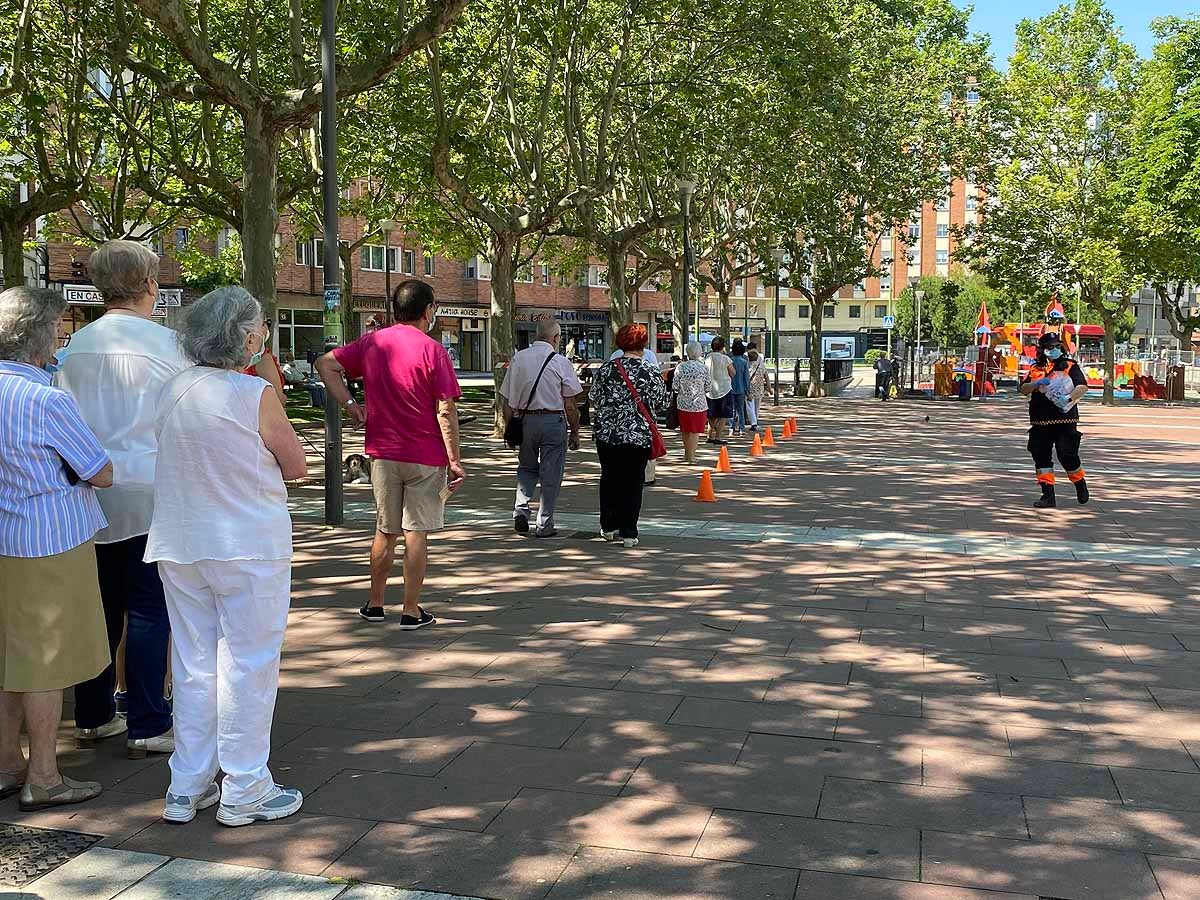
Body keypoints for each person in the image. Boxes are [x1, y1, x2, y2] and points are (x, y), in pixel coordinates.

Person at [145, 286, 307, 827]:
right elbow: (296, 464)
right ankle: (246, 784)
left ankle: (187, 783)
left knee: (193, 663)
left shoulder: (171, 388)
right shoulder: (253, 393)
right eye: (258, 327)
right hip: (247, 544)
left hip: (181, 540)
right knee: (248, 664)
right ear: (246, 336)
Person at [54, 240, 184, 762]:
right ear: (149, 284)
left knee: (100, 606)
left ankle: (93, 714)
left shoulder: (74, 346)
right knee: (151, 607)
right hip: (153, 486)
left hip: (88, 487)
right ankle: (149, 722)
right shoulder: (167, 345)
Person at [0, 286, 112, 811]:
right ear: (42, 338)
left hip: (5, 538)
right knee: (45, 662)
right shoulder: (46, 399)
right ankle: (43, 775)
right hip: (49, 540)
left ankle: (6, 762)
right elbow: (100, 471)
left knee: (12, 655)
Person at [315, 280, 465, 626]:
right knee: (416, 533)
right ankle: (411, 610)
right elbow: (445, 409)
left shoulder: (372, 343)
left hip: (382, 453)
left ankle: (375, 603)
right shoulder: (434, 351)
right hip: (426, 455)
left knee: (385, 530)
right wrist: (454, 459)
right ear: (428, 310)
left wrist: (351, 405)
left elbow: (326, 365)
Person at [499, 318, 582, 537]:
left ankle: (521, 510)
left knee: (526, 467)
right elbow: (570, 405)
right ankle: (544, 524)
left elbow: (507, 402)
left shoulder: (518, 359)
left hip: (525, 421)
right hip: (553, 422)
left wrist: (509, 428)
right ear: (556, 338)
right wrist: (575, 431)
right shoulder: (561, 362)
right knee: (551, 473)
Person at [591, 325, 669, 548]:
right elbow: (662, 402)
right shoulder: (650, 370)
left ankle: (608, 527)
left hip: (608, 434)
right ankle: (629, 532)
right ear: (643, 344)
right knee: (634, 483)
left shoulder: (607, 369)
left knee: (609, 479)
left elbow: (595, 397)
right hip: (638, 435)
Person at [1019, 332, 1090, 508]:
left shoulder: (1069, 365)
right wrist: (1035, 385)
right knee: (1041, 457)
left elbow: (1082, 386)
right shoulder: (1035, 368)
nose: (1055, 349)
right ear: (1042, 350)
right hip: (1040, 421)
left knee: (1067, 455)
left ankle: (1080, 484)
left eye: (1058, 346)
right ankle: (1047, 494)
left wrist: (1068, 398)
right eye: (1050, 347)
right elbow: (1023, 389)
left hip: (1064, 421)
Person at [672, 341, 712, 463]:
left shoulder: (680, 367)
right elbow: (708, 387)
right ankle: (691, 456)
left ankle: (686, 454)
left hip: (683, 403)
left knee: (685, 429)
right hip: (699, 404)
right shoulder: (704, 368)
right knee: (695, 431)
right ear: (699, 352)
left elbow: (675, 386)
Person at [243, 318, 285, 405]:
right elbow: (278, 399)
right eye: (266, 323)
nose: (267, 327)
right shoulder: (262, 360)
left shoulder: (260, 359)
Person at [705, 337, 735, 445]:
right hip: (724, 389)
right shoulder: (725, 359)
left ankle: (709, 435)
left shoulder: (707, 358)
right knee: (723, 415)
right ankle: (718, 436)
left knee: (711, 415)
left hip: (710, 390)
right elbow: (732, 373)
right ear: (723, 347)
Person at [729, 340, 750, 434]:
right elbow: (746, 378)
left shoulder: (729, 361)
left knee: (732, 409)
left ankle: (731, 428)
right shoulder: (744, 362)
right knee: (740, 410)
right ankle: (741, 429)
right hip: (741, 388)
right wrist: (748, 390)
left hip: (730, 388)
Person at [746, 348, 766, 430]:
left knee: (750, 406)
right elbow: (766, 375)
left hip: (750, 388)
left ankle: (753, 422)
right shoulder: (760, 366)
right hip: (760, 388)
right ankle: (756, 420)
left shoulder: (748, 366)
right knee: (757, 406)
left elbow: (747, 378)